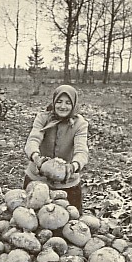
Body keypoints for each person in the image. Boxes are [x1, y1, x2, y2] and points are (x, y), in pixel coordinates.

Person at [24, 84, 88, 214]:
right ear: (53, 102)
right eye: (59, 102)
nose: (63, 106)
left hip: (67, 181)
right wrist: (36, 158)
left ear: (74, 105)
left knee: (71, 218)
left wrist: (73, 167)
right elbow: (33, 140)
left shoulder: (80, 124)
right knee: (31, 217)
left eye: (68, 103)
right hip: (38, 177)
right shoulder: (43, 118)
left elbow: (81, 150)